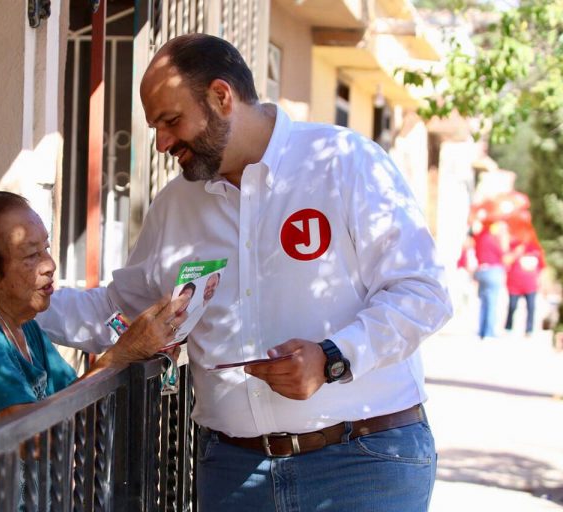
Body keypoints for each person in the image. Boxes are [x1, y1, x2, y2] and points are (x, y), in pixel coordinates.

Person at [37, 34, 452, 511]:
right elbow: (115, 312)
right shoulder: (176, 206)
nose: (161, 143)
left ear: (221, 96)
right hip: (234, 472)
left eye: (171, 121)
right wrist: (15, 307)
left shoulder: (344, 162)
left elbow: (424, 292)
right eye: (155, 127)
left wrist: (334, 358)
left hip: (364, 462)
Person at [0, 191, 188, 484]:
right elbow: (32, 439)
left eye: (46, 248)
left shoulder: (25, 327)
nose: (49, 264)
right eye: (32, 255)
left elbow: (79, 415)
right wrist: (119, 356)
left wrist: (142, 360)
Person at [504, 228, 545, 337]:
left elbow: (541, 267)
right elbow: (506, 260)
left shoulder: (536, 248)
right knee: (512, 306)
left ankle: (529, 330)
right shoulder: (513, 245)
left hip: (530, 284)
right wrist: (517, 252)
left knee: (531, 307)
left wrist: (540, 281)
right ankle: (508, 327)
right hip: (514, 284)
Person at [472, 219, 509, 339]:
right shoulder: (495, 239)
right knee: (492, 302)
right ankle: (489, 332)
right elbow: (503, 254)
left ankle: (482, 330)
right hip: (493, 270)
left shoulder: (480, 237)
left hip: (482, 270)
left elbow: (476, 253)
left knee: (484, 302)